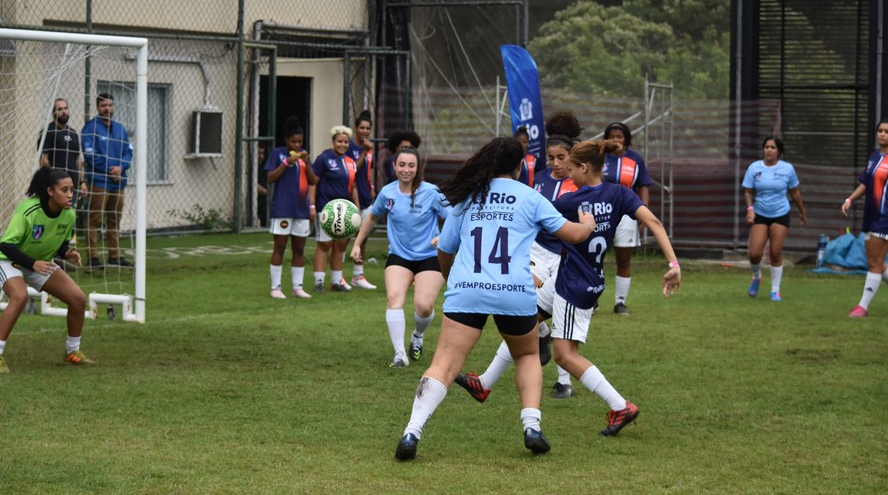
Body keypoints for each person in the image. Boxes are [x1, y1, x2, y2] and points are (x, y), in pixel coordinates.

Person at [394, 137, 596, 461]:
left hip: (467, 288)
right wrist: (586, 225)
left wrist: (452, 279)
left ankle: (411, 432)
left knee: (443, 364)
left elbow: (445, 249)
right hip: (514, 291)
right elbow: (572, 235)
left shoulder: (470, 195)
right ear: (519, 167)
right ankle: (532, 427)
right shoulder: (531, 197)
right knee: (528, 356)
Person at [543, 139, 680, 436]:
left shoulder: (570, 202)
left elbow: (536, 219)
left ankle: (620, 406)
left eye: (570, 170)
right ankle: (486, 381)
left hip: (573, 282)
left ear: (584, 167)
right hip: (592, 280)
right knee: (530, 313)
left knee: (564, 355)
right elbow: (654, 221)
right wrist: (673, 265)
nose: (567, 175)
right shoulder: (619, 193)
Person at [454, 110, 581, 402]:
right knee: (525, 310)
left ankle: (564, 382)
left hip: (567, 256)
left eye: (562, 158)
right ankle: (494, 374)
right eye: (552, 158)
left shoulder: (581, 183)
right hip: (538, 250)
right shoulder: (539, 180)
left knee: (559, 312)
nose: (556, 163)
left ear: (573, 157)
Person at [350, 147, 449, 367]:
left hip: (429, 256)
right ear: (394, 167)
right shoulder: (387, 193)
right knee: (394, 298)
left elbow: (454, 218)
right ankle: (400, 354)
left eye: (411, 165)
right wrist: (357, 243)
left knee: (423, 306)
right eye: (401, 165)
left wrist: (443, 237)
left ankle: (418, 335)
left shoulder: (431, 192)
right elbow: (372, 218)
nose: (406, 170)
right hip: (399, 256)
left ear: (417, 168)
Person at [0, 168, 92, 374]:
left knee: (78, 299)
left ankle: (72, 352)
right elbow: (5, 245)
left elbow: (60, 244)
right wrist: (32, 263)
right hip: (8, 260)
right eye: (64, 190)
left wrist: (67, 253)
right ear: (50, 191)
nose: (70, 195)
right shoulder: (28, 210)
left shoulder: (69, 214)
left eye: (72, 190)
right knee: (20, 296)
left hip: (38, 262)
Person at [742, 136, 807, 301]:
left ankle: (775, 290)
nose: (769, 150)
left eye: (772, 147)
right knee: (754, 254)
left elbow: (795, 192)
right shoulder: (754, 168)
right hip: (760, 213)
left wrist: (802, 212)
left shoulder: (787, 169)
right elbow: (748, 191)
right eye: (766, 147)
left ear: (778, 151)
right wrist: (750, 209)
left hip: (780, 213)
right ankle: (756, 277)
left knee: (775, 253)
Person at [602, 122, 653, 315]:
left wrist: (643, 211)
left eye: (619, 136)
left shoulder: (635, 160)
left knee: (623, 259)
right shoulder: (600, 158)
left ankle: (620, 302)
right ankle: (591, 300)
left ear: (626, 139)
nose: (616, 140)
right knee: (593, 257)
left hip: (627, 214)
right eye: (612, 136)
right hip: (602, 211)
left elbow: (643, 186)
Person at [266, 118, 318, 299]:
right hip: (282, 209)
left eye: (300, 142)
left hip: (301, 210)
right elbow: (271, 178)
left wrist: (306, 162)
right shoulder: (278, 153)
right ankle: (276, 287)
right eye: (293, 141)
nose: (297, 145)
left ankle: (298, 287)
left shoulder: (303, 156)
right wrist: (287, 162)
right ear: (286, 140)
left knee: (300, 249)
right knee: (279, 248)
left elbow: (313, 181)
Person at [81, 92, 134, 269]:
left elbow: (129, 151)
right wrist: (110, 169)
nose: (107, 109)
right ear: (97, 107)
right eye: (104, 106)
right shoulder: (90, 128)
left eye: (110, 105)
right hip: (99, 181)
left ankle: (115, 255)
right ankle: (93, 257)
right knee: (94, 219)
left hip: (118, 181)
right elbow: (90, 155)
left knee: (114, 219)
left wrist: (121, 167)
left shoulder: (120, 128)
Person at [843, 120, 888, 317]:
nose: (883, 134)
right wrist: (850, 199)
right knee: (877, 262)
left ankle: (863, 306)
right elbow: (866, 183)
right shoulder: (874, 157)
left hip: (884, 217)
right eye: (880, 130)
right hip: (871, 215)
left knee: (874, 262)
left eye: (887, 131)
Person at [310, 125, 360, 293]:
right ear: (333, 142)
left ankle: (336, 282)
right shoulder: (324, 158)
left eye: (346, 142)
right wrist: (311, 205)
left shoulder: (351, 162)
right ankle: (318, 282)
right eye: (339, 141)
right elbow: (313, 183)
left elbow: (353, 187)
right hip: (326, 208)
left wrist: (356, 208)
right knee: (324, 244)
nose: (343, 145)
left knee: (340, 246)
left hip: (344, 210)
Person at [40, 97, 86, 271]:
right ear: (53, 112)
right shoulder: (47, 132)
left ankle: (64, 255)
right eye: (60, 109)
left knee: (67, 220)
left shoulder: (74, 133)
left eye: (66, 108)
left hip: (71, 186)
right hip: (56, 188)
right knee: (53, 219)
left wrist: (82, 182)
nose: (64, 111)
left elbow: (77, 160)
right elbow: (44, 160)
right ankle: (51, 255)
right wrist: (49, 183)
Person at [347, 110, 377, 290]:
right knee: (344, 238)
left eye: (368, 128)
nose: (365, 131)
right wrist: (364, 153)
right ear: (355, 129)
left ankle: (358, 275)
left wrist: (371, 186)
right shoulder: (349, 147)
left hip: (366, 197)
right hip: (351, 198)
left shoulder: (369, 147)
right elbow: (351, 171)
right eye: (362, 128)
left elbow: (367, 170)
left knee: (363, 237)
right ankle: (337, 277)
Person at [257, 143, 268, 227]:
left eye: (262, 153)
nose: (261, 156)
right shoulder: (251, 166)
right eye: (258, 153)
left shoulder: (266, 166)